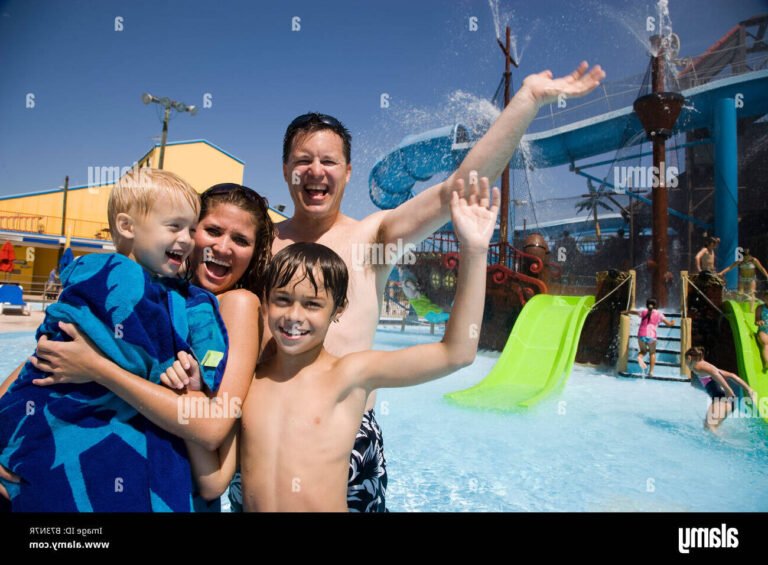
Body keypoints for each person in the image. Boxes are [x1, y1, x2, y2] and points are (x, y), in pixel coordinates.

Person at [266, 63, 604, 510]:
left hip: (348, 436)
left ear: (347, 172)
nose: (315, 171)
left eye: (328, 161)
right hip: (268, 428)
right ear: (286, 168)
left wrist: (527, 101)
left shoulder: (372, 239)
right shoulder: (259, 242)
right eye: (303, 160)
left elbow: (458, 190)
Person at [174, 181, 498, 511]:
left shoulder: (350, 375)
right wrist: (190, 395)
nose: (294, 317)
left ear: (338, 310)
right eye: (282, 300)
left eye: (312, 305)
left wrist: (473, 252)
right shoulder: (249, 384)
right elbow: (213, 482)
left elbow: (456, 352)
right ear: (265, 303)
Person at [0, 183, 274, 511]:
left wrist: (97, 369)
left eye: (241, 240)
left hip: (159, 490)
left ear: (254, 253)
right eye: (212, 230)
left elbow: (212, 427)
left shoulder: (235, 304)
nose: (223, 247)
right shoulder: (154, 292)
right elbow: (47, 356)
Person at [685, 347, 756, 432]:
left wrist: (728, 391)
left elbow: (714, 373)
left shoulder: (698, 367)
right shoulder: (704, 366)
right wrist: (748, 389)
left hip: (722, 399)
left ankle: (724, 444)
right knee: (711, 426)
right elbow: (732, 375)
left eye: (685, 360)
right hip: (729, 401)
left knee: (709, 426)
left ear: (689, 358)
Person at [624, 298, 675, 377]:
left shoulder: (643, 312)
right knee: (652, 353)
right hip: (651, 336)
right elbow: (669, 324)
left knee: (643, 351)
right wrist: (672, 322)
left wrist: (626, 311)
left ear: (646, 305)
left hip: (641, 334)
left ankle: (639, 357)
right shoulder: (659, 314)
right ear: (656, 305)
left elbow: (633, 312)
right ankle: (651, 372)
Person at [756, 292, 768, 369]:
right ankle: (767, 362)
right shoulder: (760, 308)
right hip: (764, 331)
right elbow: (756, 321)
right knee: (765, 343)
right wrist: (759, 322)